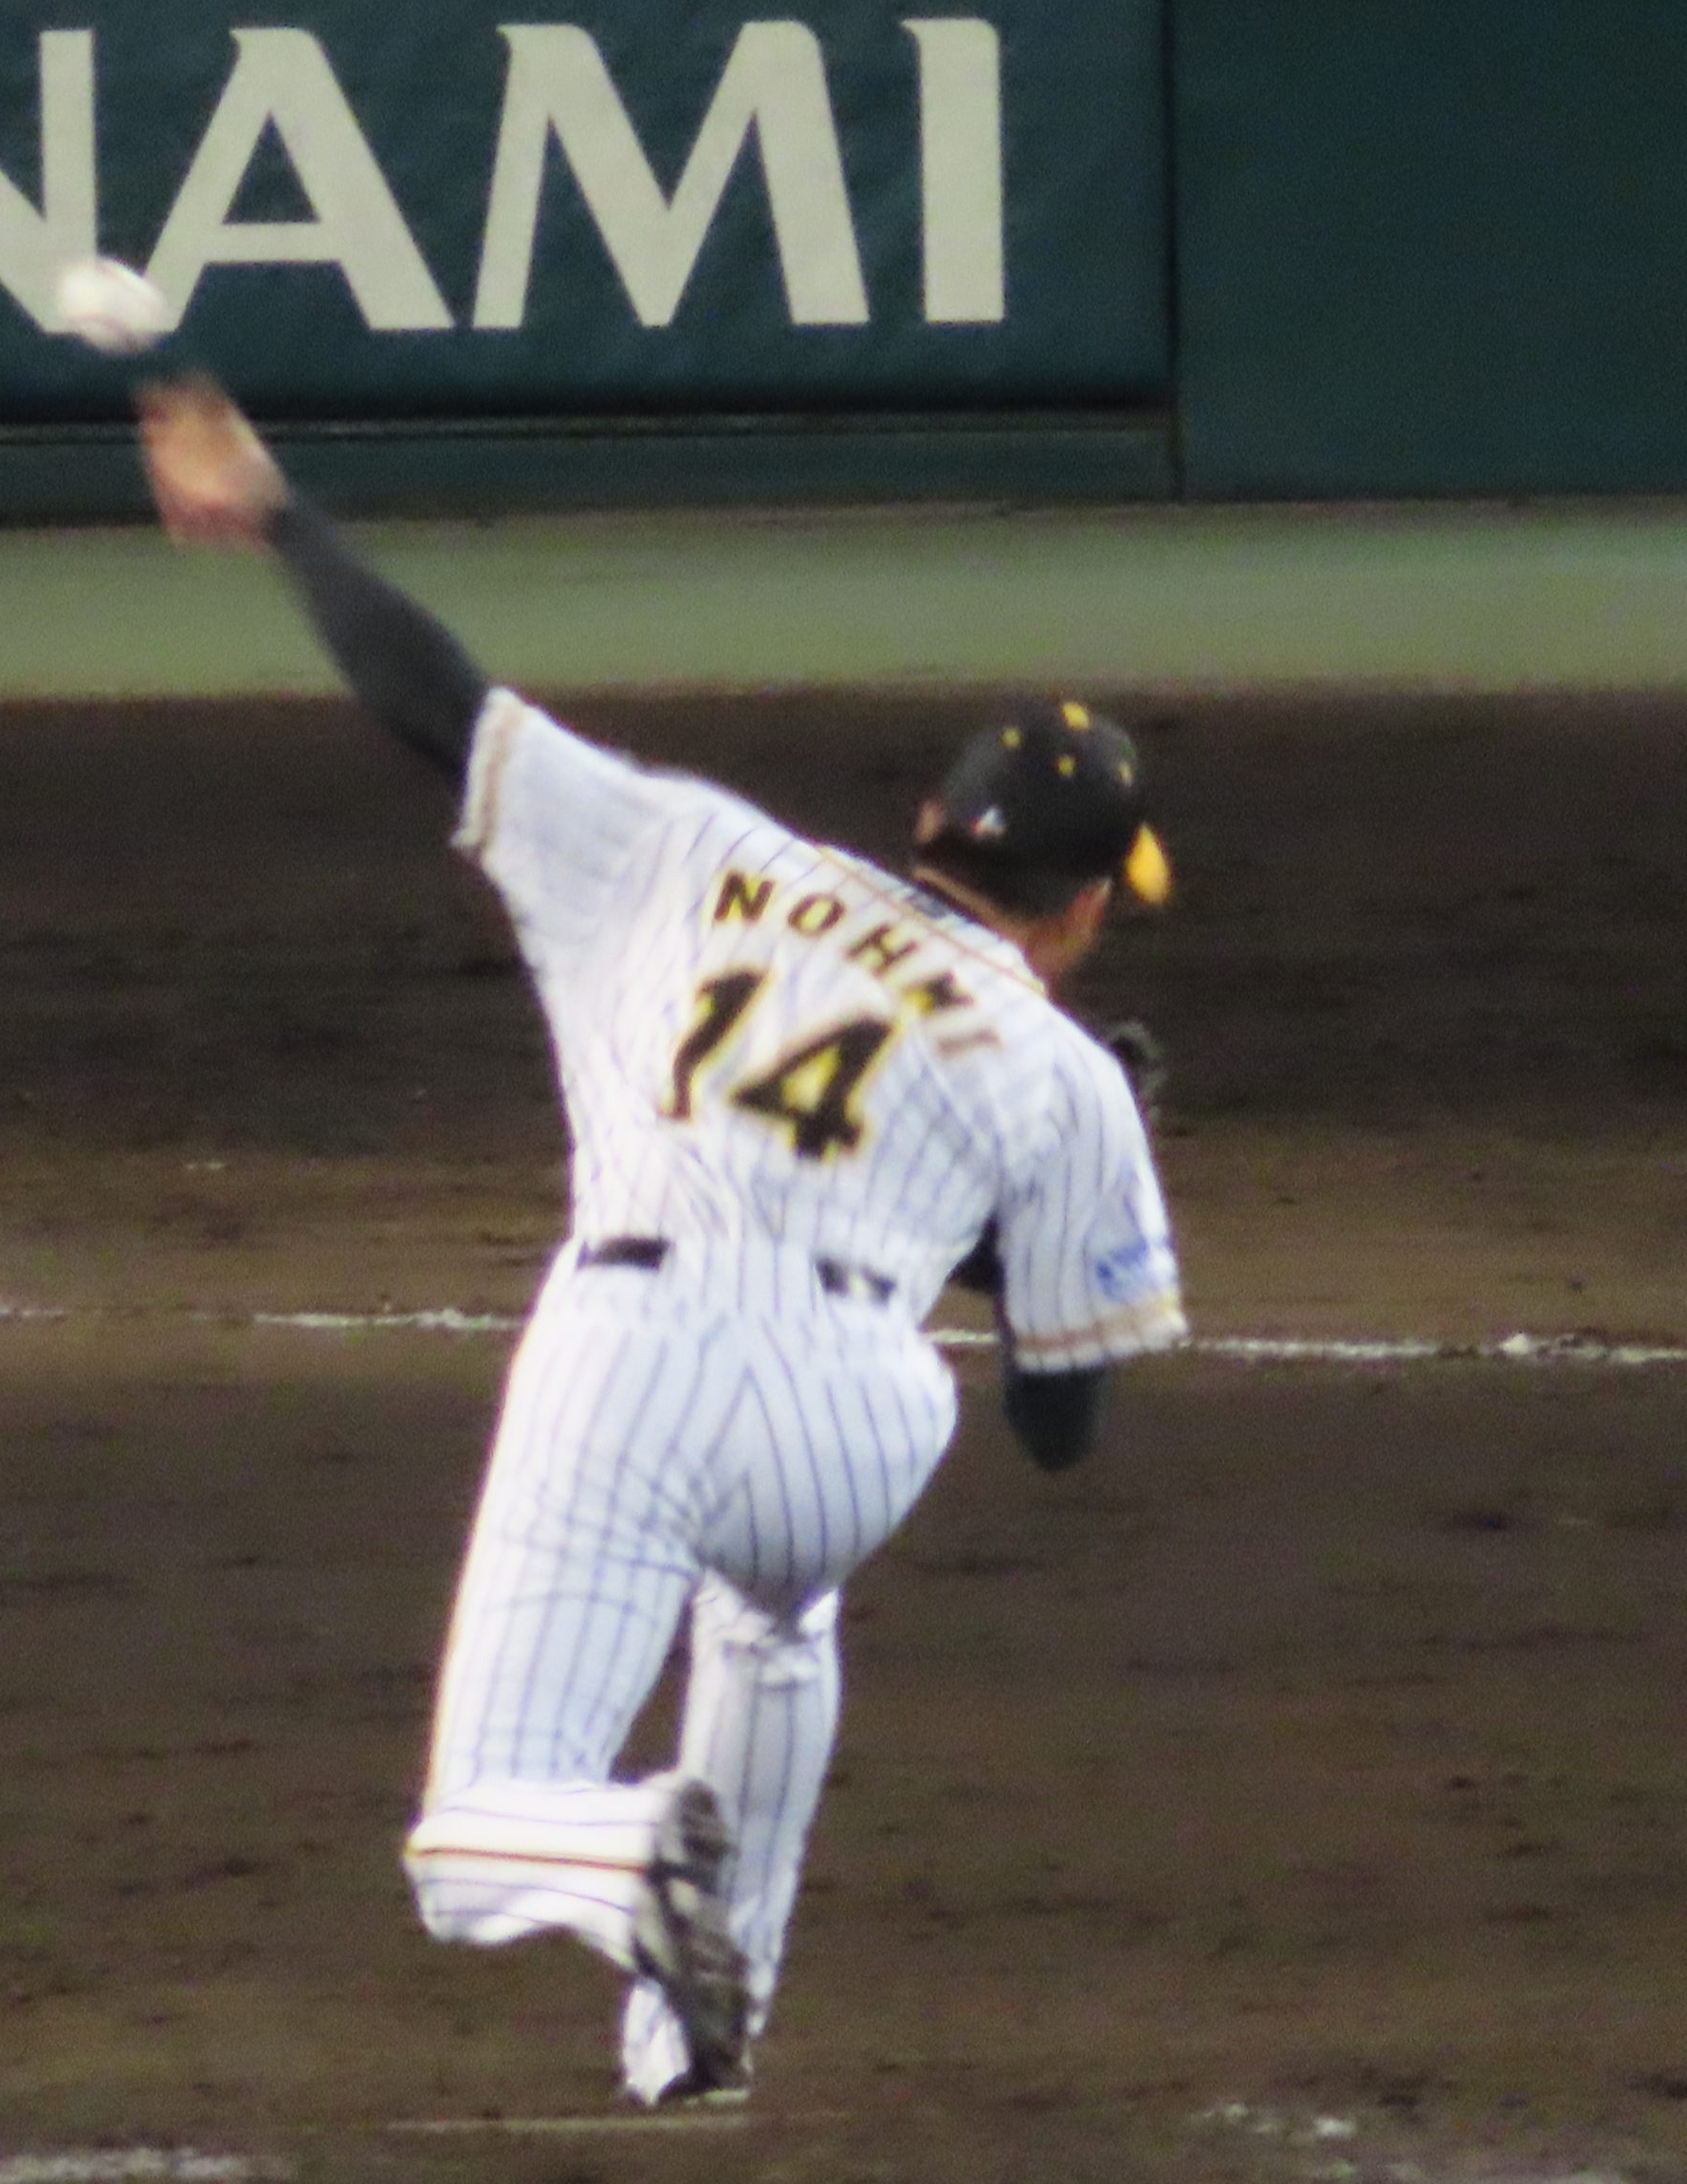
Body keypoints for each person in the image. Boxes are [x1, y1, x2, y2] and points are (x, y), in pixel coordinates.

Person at [135, 376, 1187, 2109]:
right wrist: (1022, 1218)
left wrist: (275, 514)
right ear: (1079, 910)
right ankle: (702, 2036)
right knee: (777, 1614)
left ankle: (628, 1861)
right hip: (860, 1425)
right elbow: (1058, 1426)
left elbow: (438, 704)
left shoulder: (690, 848)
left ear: (933, 823)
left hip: (640, 1356)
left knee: (476, 1843)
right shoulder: (1063, 1075)